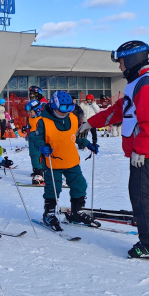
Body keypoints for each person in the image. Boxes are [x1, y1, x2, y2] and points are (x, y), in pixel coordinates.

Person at [86, 41, 149, 260]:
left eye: (122, 62)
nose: (120, 67)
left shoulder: (146, 83)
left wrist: (141, 149)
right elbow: (119, 111)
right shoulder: (138, 82)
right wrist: (90, 122)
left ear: (133, 60)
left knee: (144, 197)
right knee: (146, 196)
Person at [30, 91, 99, 232]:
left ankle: (76, 212)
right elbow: (37, 140)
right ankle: (48, 214)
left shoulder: (72, 118)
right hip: (52, 161)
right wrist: (42, 147)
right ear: (54, 106)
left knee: (80, 184)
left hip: (71, 160)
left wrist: (87, 143)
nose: (66, 112)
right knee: (53, 188)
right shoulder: (43, 121)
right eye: (63, 109)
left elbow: (77, 136)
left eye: (70, 108)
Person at [23, 99, 45, 185]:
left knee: (38, 156)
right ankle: (37, 172)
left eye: (31, 112)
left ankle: (40, 174)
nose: (29, 113)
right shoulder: (30, 118)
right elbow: (29, 127)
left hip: (39, 140)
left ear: (37, 110)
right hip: (32, 140)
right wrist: (27, 132)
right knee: (33, 155)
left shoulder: (41, 119)